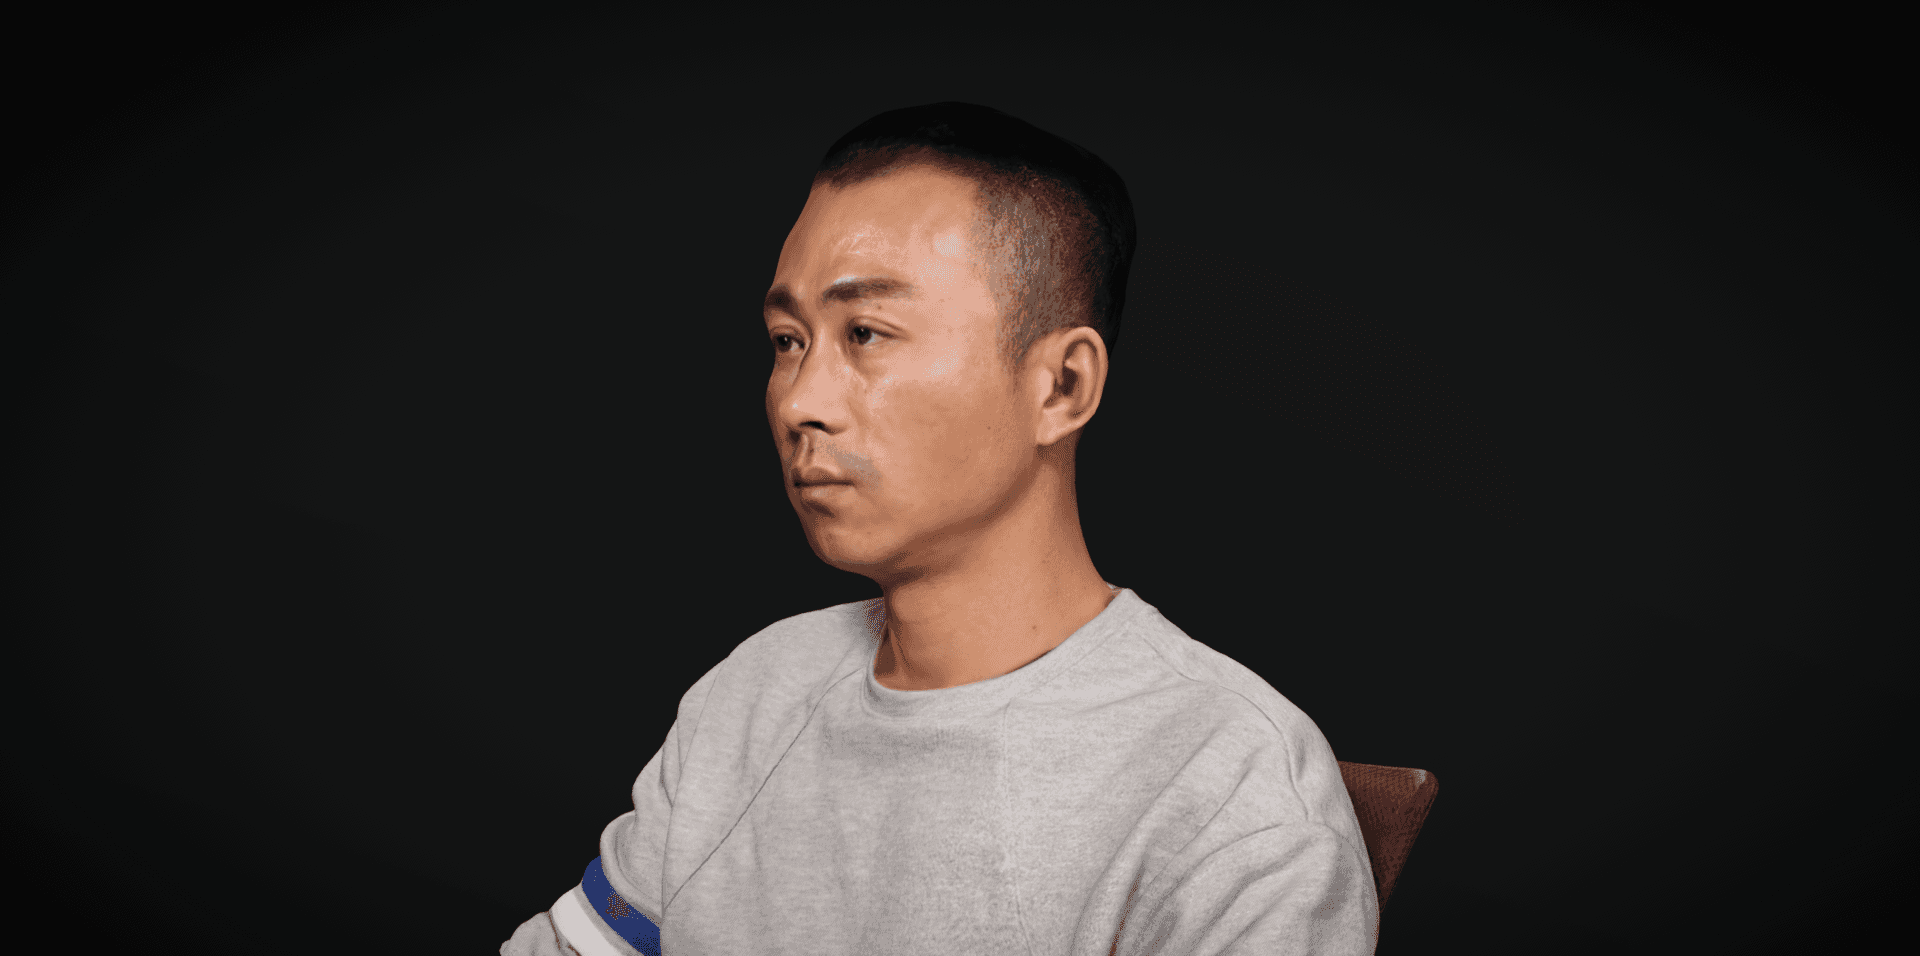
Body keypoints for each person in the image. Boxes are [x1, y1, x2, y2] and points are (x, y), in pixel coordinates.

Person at [501, 102, 1378, 956]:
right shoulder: (754, 696)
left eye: (867, 333)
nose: (801, 402)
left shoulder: (1226, 793)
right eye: (788, 340)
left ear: (1062, 386)